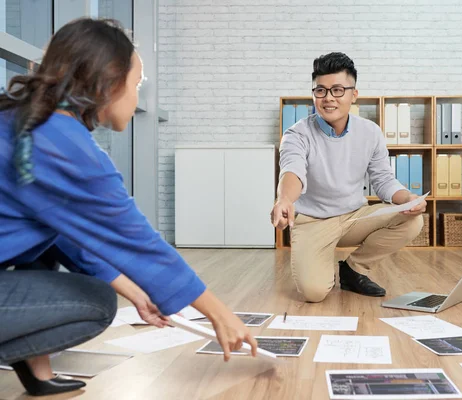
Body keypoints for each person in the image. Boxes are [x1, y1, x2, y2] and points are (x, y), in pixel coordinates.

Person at [0, 18, 257, 397]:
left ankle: (36, 371)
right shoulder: (64, 144)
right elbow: (139, 241)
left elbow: (68, 232)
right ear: (108, 83)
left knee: (51, 236)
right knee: (97, 301)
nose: (138, 97)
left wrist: (137, 292)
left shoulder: (26, 122)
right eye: (136, 85)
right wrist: (220, 313)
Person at [271, 52, 426, 303]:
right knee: (313, 292)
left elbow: (383, 180)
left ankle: (353, 269)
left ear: (354, 94)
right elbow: (292, 171)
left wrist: (408, 197)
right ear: (313, 94)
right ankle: (323, 269)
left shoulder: (370, 132)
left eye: (337, 90)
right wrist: (284, 200)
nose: (328, 98)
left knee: (413, 221)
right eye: (320, 90)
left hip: (354, 217)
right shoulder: (296, 134)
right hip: (313, 222)